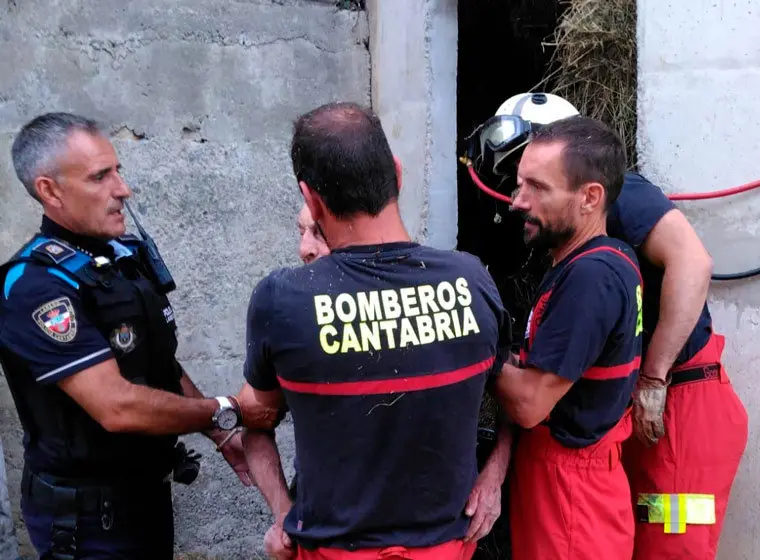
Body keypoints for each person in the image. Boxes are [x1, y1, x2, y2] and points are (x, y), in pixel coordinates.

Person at [471, 93, 749, 560]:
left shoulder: (620, 201)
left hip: (680, 396)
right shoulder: (575, 249)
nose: (518, 199)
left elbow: (693, 261)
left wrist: (654, 378)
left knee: (669, 545)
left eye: (533, 180)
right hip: (617, 409)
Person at [236, 101, 513, 560]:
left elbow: (253, 419)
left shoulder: (282, 299)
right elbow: (516, 400)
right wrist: (495, 475)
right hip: (448, 549)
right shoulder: (471, 279)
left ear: (312, 199)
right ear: (398, 175)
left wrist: (285, 512)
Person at [0, 112, 280, 559]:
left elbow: (157, 362)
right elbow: (117, 406)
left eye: (118, 171)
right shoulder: (36, 287)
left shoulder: (118, 257)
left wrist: (222, 434)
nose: (122, 190)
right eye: (100, 177)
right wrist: (228, 411)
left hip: (145, 496)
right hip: (87, 522)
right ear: (49, 190)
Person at [287, 204, 511, 552]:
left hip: (439, 542)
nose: (305, 248)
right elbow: (255, 414)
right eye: (300, 232)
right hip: (336, 544)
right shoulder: (294, 316)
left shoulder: (454, 289)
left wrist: (494, 473)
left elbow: (512, 399)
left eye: (317, 232)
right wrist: (281, 511)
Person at [491, 115, 642, 559]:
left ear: (590, 197)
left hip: (571, 494)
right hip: (571, 481)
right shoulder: (602, 260)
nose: (518, 201)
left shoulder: (591, 277)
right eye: (520, 184)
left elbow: (529, 403)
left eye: (537, 187)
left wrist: (468, 340)